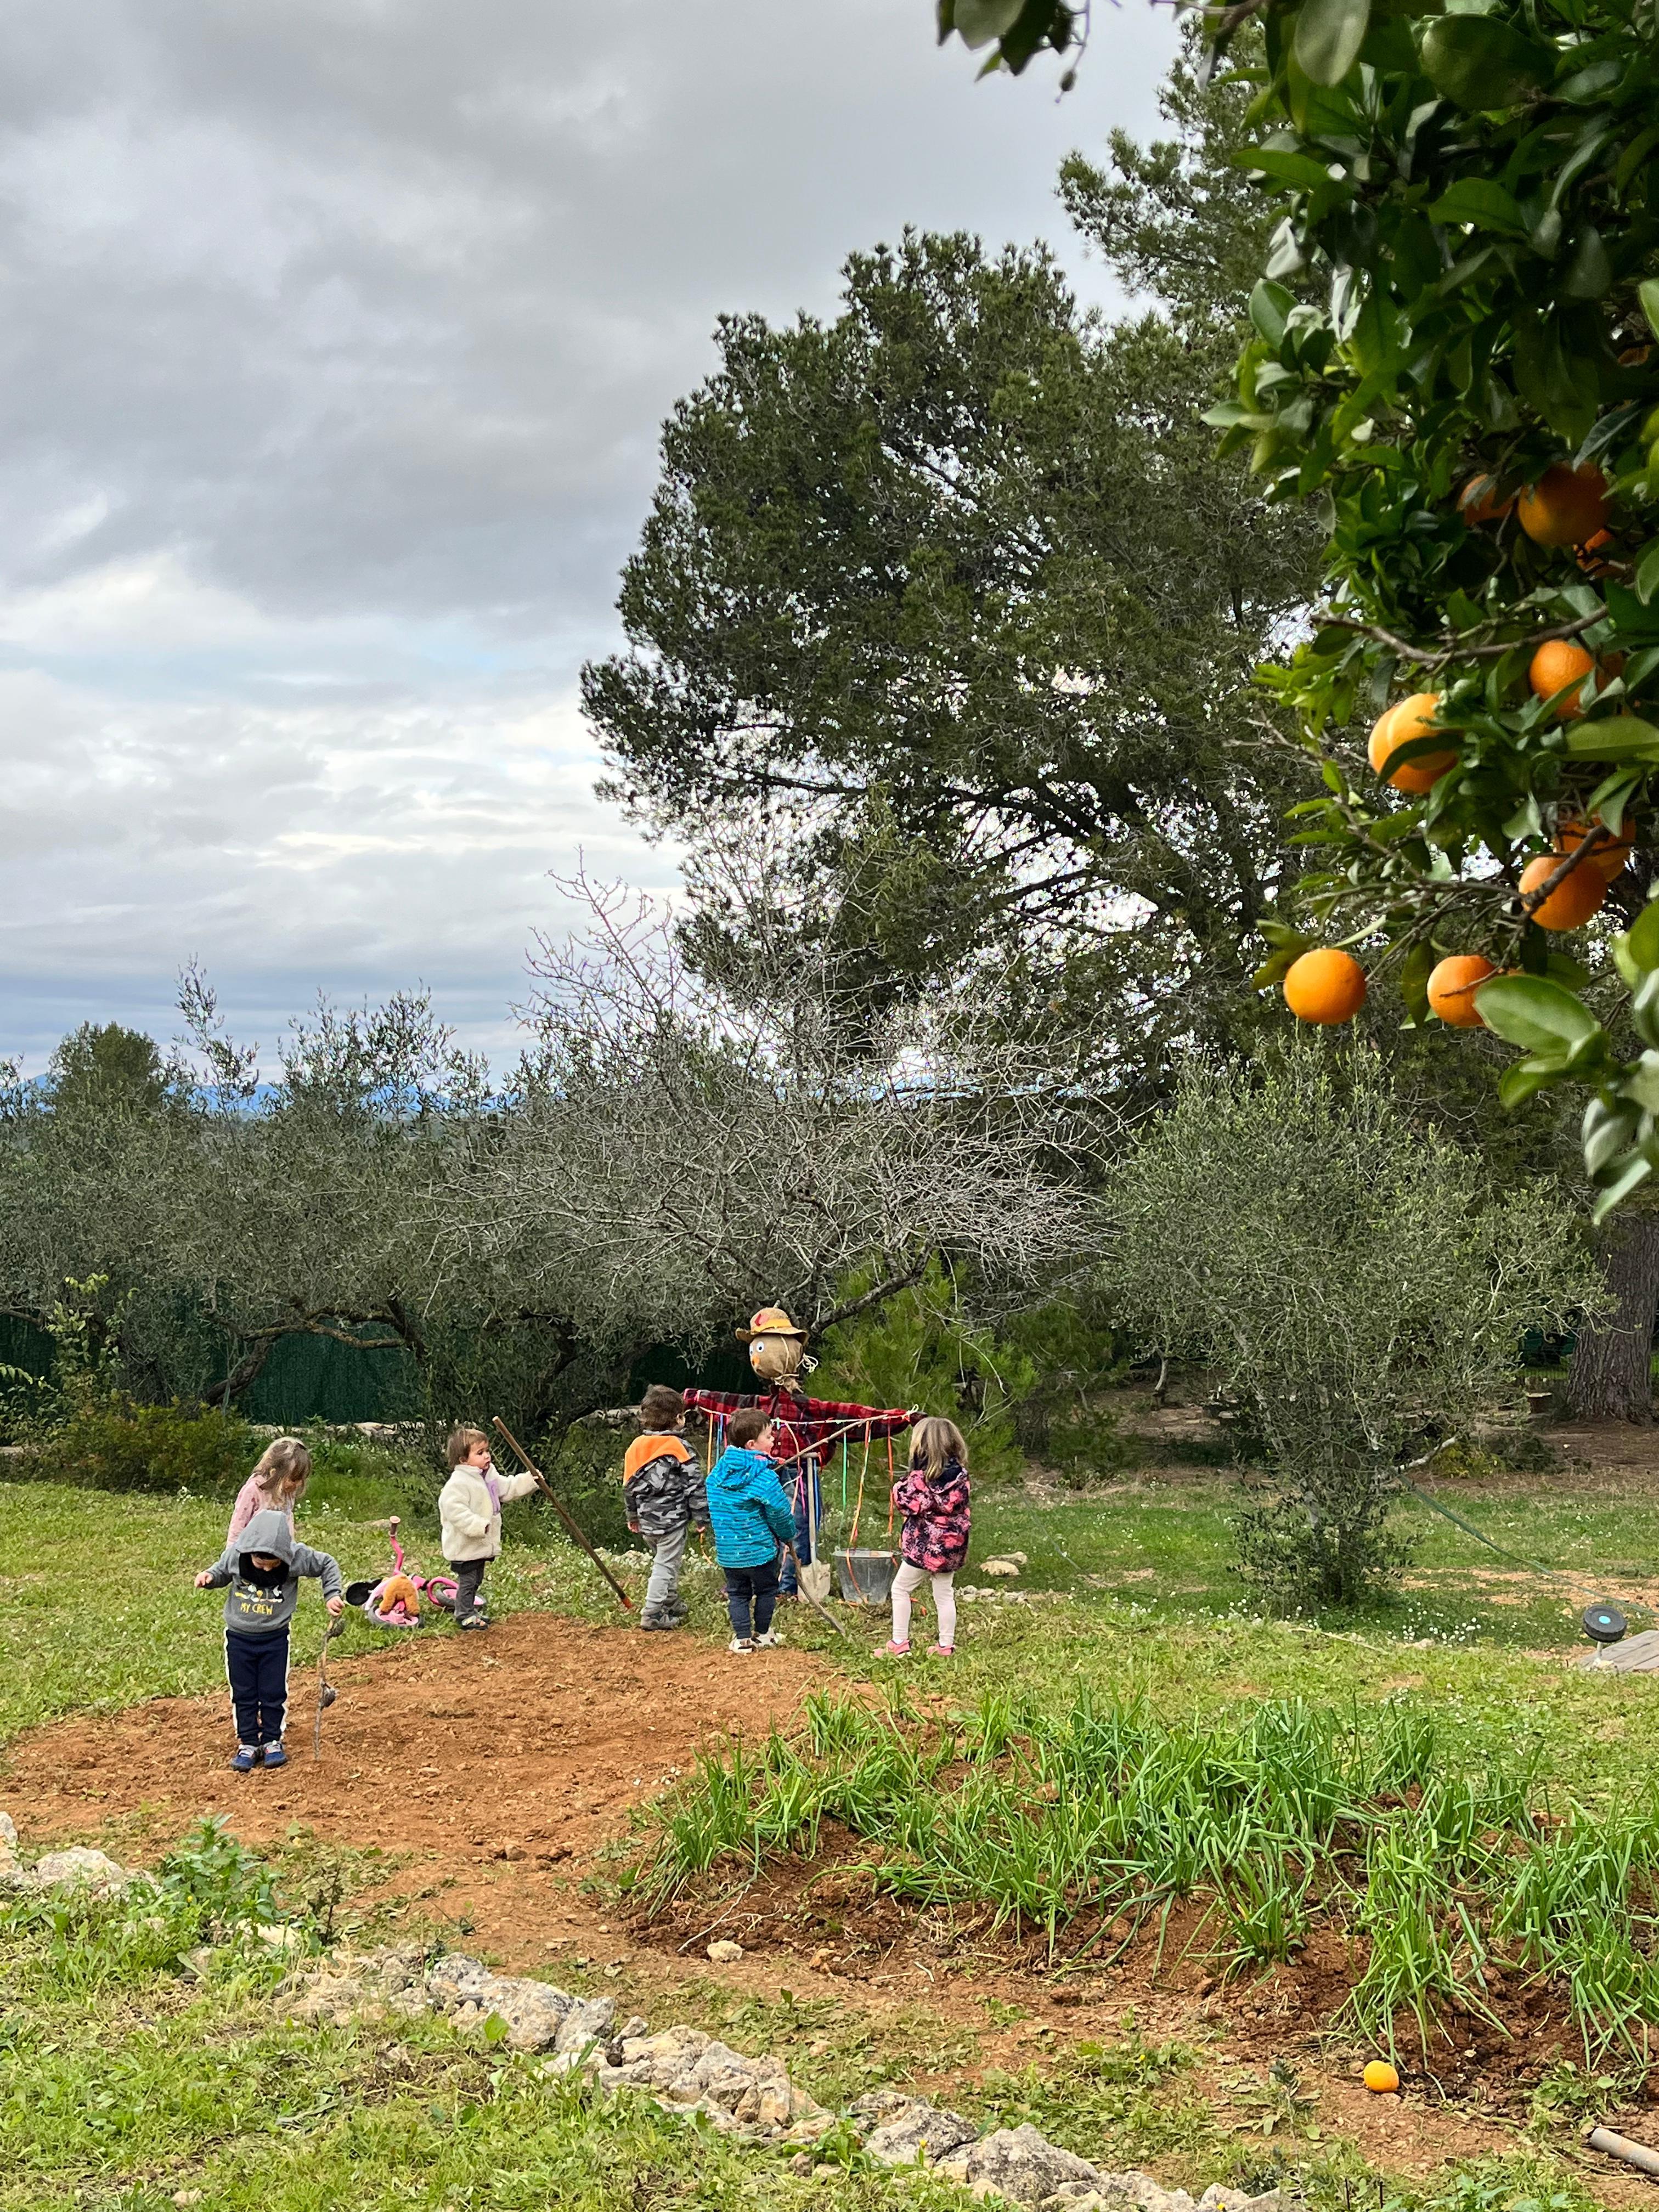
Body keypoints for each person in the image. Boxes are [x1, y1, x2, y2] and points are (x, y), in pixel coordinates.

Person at [684, 1374, 912, 1598]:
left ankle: (787, 1587)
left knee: (799, 1525)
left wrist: (902, 1418)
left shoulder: (810, 1409)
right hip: (764, 1471)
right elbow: (725, 1401)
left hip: (801, 1471)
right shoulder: (758, 1409)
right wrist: (693, 1397)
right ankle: (756, 1582)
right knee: (756, 1524)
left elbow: (855, 1416)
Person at [195, 1506, 343, 1771]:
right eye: (259, 1562)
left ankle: (273, 1740)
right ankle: (249, 1743)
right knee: (244, 1693)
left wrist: (332, 1594)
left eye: (271, 1564)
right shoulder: (236, 1556)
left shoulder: (296, 1558)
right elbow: (220, 1572)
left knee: (274, 1692)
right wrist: (209, 1578)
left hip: (275, 1640)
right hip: (239, 1640)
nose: (264, 1567)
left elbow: (327, 1564)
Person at [706, 1409, 798, 1654]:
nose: (774, 1440)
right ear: (752, 1444)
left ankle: (743, 1640)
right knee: (767, 1590)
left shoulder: (716, 1477)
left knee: (737, 1594)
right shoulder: (764, 1478)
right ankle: (764, 1634)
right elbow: (779, 1511)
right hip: (760, 1551)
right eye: (769, 1436)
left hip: (729, 1552)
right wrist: (789, 1534)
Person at [623, 1385, 709, 1631]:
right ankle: (652, 1612)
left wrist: (632, 1515)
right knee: (666, 1564)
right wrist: (702, 1518)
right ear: (679, 1419)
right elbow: (694, 1486)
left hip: (647, 1521)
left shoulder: (636, 1447)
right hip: (672, 1522)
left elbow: (628, 1485)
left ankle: (671, 1601)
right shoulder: (680, 1448)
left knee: (665, 1561)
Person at [885, 1415, 972, 1660]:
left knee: (900, 1588)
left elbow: (905, 1502)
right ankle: (946, 1646)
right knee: (944, 1593)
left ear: (921, 1446)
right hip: (951, 1547)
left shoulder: (920, 1480)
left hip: (924, 1548)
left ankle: (899, 1642)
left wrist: (897, 1486)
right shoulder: (961, 1477)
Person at [438, 1426, 538, 1630]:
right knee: (468, 1581)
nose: (487, 1456)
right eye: (480, 1453)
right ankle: (464, 1614)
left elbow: (507, 1488)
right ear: (463, 1460)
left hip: (479, 1546)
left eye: (487, 1451)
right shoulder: (458, 1483)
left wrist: (530, 1480)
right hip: (465, 1546)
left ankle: (468, 1610)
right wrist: (478, 1525)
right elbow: (454, 1510)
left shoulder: (488, 1476)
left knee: (476, 1580)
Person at [226, 1435, 311, 1545]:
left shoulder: (287, 1492)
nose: (298, 1484)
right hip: (251, 1552)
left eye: (301, 1479)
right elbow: (237, 1526)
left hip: (275, 1553)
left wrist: (291, 1547)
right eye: (293, 1480)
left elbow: (288, 1521)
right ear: (274, 1473)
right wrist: (232, 1556)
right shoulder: (253, 1491)